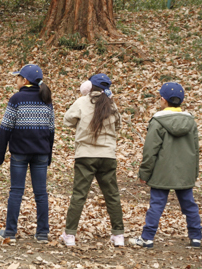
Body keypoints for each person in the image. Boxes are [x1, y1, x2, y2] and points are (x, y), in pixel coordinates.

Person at [130, 82, 201, 249]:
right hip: (185, 171)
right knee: (189, 205)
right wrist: (194, 172)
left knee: (156, 205)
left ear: (163, 100)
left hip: (162, 171)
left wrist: (144, 174)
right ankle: (196, 237)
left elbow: (150, 151)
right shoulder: (191, 121)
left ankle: (147, 238)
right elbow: (196, 150)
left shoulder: (157, 121)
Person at [60, 74, 124, 247]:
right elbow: (118, 125)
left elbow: (67, 120)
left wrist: (80, 124)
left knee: (79, 195)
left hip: (85, 155)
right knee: (112, 196)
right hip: (108, 156)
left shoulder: (81, 102)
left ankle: (70, 235)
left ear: (89, 86)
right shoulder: (111, 104)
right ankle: (118, 235)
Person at [0, 64, 54, 244]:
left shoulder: (16, 99)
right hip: (41, 153)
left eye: (17, 77)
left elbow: (5, 129)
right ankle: (42, 232)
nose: (16, 80)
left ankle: (10, 231)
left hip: (19, 153)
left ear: (25, 81)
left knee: (16, 192)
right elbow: (51, 130)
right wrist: (48, 155)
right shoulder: (47, 100)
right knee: (41, 194)